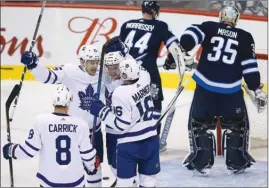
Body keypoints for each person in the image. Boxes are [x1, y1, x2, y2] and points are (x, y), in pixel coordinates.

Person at [176, 6, 267, 174]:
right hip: (231, 90)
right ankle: (237, 162)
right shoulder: (245, 37)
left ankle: (201, 163)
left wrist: (184, 46)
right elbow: (249, 67)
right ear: (236, 19)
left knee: (199, 124)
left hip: (205, 87)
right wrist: (255, 87)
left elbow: (188, 38)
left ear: (221, 17)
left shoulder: (209, 27)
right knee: (237, 125)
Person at [19, 45, 104, 187]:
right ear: (82, 61)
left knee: (94, 169)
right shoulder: (69, 71)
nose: (95, 65)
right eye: (91, 62)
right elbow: (47, 77)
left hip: (95, 130)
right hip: (72, 132)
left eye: (97, 61)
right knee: (70, 170)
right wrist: (34, 65)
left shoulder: (103, 73)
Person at [112, 1, 181, 152]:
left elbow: (117, 48)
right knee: (154, 104)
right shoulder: (160, 25)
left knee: (128, 102)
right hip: (147, 72)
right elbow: (175, 47)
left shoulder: (127, 24)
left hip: (126, 72)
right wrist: (170, 62)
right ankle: (152, 139)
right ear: (155, 11)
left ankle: (128, 134)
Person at [2, 85, 98, 187]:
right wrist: (92, 167)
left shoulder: (41, 121)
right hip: (75, 182)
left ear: (53, 101)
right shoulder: (81, 124)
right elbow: (87, 154)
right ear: (70, 101)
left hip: (48, 182)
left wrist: (10, 150)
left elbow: (28, 151)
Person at [89, 58, 160, 187]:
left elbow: (121, 125)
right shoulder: (145, 77)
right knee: (149, 181)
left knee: (125, 183)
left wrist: (101, 111)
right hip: (151, 139)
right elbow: (139, 67)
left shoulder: (120, 93)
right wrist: (124, 53)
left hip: (130, 144)